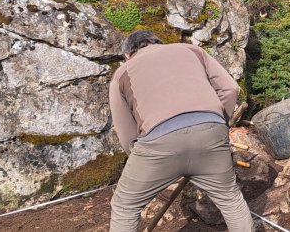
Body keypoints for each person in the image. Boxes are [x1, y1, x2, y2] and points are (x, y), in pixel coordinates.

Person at [108, 30, 253, 232]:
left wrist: (140, 157)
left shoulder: (121, 74)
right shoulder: (192, 50)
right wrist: (220, 126)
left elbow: (125, 128)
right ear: (157, 41)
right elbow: (230, 88)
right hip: (210, 131)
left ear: (127, 55)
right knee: (230, 199)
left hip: (158, 143)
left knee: (125, 206)